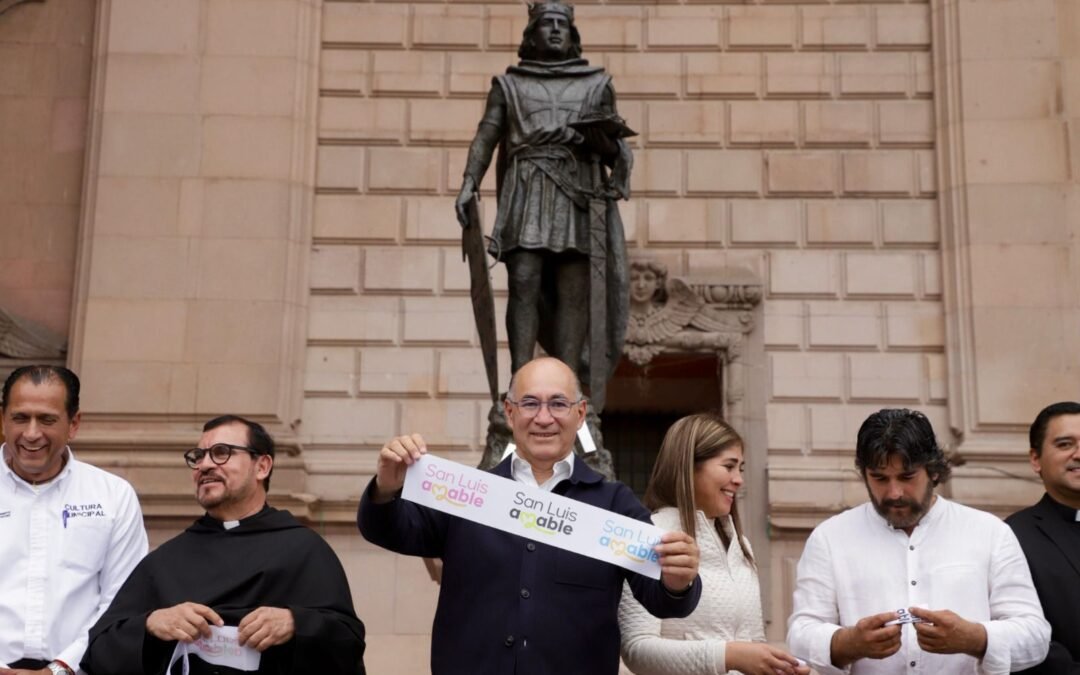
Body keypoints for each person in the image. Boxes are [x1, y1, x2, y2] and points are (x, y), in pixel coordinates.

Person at [357, 356, 701, 675]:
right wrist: (387, 486)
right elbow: (390, 529)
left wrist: (678, 579)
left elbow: (662, 597)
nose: (544, 417)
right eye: (530, 403)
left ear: (580, 414)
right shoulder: (468, 495)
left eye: (558, 404)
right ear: (509, 413)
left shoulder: (613, 503)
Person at [82, 415, 366, 675]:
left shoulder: (304, 550)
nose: (204, 465)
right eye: (198, 456)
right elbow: (99, 649)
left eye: (222, 453)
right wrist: (151, 625)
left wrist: (295, 623)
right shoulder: (167, 560)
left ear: (262, 466)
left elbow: (347, 643)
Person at [786, 408, 1049, 675]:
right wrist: (848, 643)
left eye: (907, 477)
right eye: (879, 478)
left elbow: (1035, 636)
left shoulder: (990, 532)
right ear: (864, 475)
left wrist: (975, 638)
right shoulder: (830, 537)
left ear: (934, 471)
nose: (894, 492)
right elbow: (801, 634)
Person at [454, 1, 632, 386]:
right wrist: (470, 180)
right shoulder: (509, 86)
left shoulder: (596, 85)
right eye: (546, 23)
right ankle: (521, 384)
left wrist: (610, 147)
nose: (554, 30)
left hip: (577, 193)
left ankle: (565, 387)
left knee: (573, 291)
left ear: (571, 35)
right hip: (528, 188)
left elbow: (613, 147)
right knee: (523, 280)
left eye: (561, 24)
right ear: (531, 34)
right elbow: (487, 135)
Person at [618, 413, 809, 675]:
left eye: (740, 468)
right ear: (688, 467)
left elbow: (753, 645)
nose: (739, 479)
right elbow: (637, 649)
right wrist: (728, 655)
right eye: (729, 466)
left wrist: (779, 668)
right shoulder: (649, 534)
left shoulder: (740, 543)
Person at [0, 365, 148, 675]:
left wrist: (60, 668)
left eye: (47, 419)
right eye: (20, 418)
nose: (31, 433)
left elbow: (122, 599)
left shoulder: (113, 496)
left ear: (74, 424)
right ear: (3, 419)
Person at [1007, 401, 1080, 674]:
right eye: (1064, 444)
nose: (1079, 454)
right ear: (1035, 459)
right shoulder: (1012, 536)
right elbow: (1023, 634)